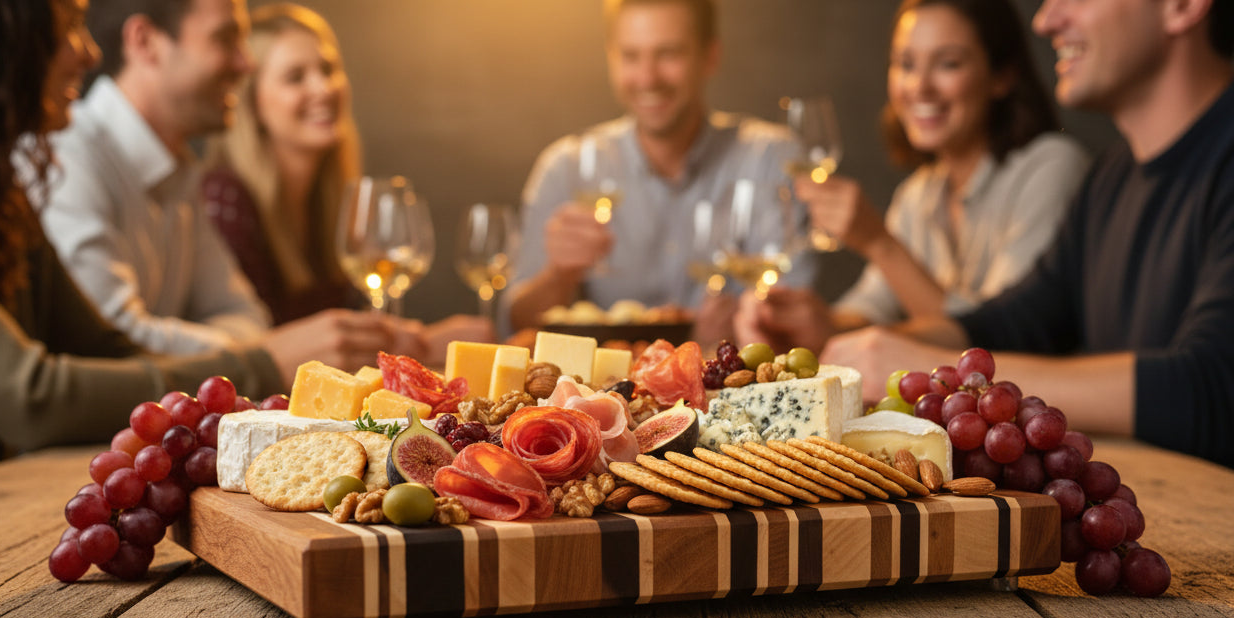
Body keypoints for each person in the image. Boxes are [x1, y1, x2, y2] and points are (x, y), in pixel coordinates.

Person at [739, 0, 1234, 470]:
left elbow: (1211, 388)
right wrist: (858, 343)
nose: (1045, 21)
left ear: (1183, 5)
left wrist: (929, 365)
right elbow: (1016, 320)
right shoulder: (1112, 177)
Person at [0, 0, 381, 466]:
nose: (91, 54)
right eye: (69, 28)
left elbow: (111, 347)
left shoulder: (11, 194)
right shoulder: (70, 159)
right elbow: (33, 399)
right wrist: (260, 362)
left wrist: (251, 362)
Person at [34, 0, 426, 364]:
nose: (247, 63)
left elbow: (248, 319)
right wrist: (264, 356)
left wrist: (254, 350)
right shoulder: (67, 156)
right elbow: (109, 343)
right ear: (146, 42)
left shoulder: (182, 171)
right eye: (225, 39)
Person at [502, 0, 818, 346]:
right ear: (611, 58)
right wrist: (559, 276)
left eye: (668, 54)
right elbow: (516, 324)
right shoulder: (565, 166)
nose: (647, 78)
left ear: (710, 56)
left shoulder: (770, 158)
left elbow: (797, 317)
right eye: (630, 56)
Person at [202, 3, 491, 359]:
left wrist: (410, 339)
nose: (323, 88)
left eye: (328, 69)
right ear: (252, 103)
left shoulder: (329, 201)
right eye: (295, 77)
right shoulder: (225, 201)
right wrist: (422, 345)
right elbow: (260, 354)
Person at [796, 0, 1089, 332]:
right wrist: (812, 325)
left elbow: (1001, 340)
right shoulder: (917, 194)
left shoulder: (1051, 167)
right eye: (906, 65)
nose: (919, 87)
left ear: (1002, 76)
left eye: (948, 64)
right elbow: (872, 306)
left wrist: (879, 243)